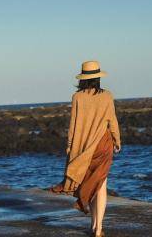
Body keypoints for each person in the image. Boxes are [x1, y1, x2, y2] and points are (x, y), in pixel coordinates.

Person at [49, 60, 121, 237]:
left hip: (84, 147)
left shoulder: (77, 97)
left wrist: (70, 148)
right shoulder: (107, 96)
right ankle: (97, 228)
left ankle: (95, 228)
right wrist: (117, 141)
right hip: (103, 144)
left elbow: (73, 126)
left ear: (83, 78)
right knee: (101, 184)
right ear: (98, 77)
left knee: (92, 182)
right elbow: (112, 120)